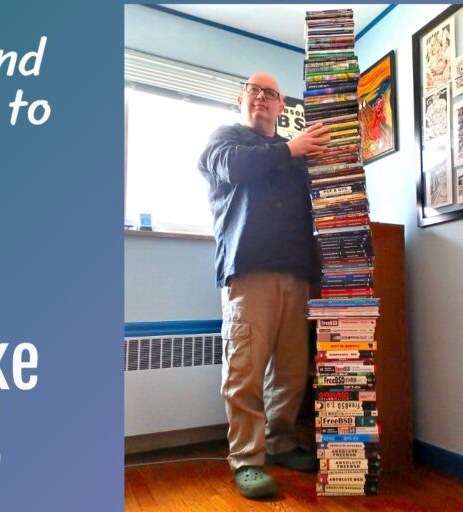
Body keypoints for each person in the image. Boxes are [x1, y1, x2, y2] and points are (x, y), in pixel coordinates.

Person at [196, 72, 330, 499]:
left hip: (295, 272)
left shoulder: (295, 158)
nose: (261, 97)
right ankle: (247, 460)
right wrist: (291, 148)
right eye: (254, 90)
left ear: (281, 106)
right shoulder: (225, 140)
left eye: (270, 93)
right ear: (242, 99)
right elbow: (234, 167)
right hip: (247, 270)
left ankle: (282, 442)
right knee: (245, 370)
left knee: (290, 370)